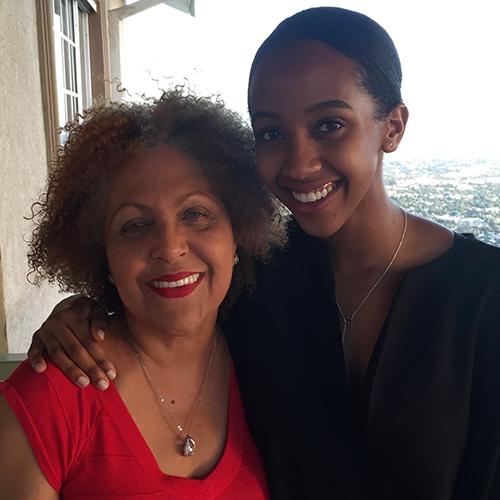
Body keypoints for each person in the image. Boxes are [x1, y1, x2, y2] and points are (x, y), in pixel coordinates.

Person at [25, 7, 500, 500]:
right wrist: (76, 318)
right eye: (271, 132)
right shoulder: (254, 276)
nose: (299, 162)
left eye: (329, 124)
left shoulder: (486, 301)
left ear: (393, 127)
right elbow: (163, 311)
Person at [0, 89, 287, 499]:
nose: (170, 248)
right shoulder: (53, 395)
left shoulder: (266, 363)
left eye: (195, 214)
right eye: (134, 225)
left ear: (238, 234)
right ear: (105, 259)